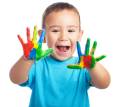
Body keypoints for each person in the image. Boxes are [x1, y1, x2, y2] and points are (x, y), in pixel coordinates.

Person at [9, 2, 110, 107]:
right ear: (42, 36)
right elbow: (15, 78)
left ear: (79, 35)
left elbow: (104, 84)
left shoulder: (83, 65)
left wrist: (93, 67)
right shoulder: (37, 63)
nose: (63, 37)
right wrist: (27, 59)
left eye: (70, 30)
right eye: (55, 30)